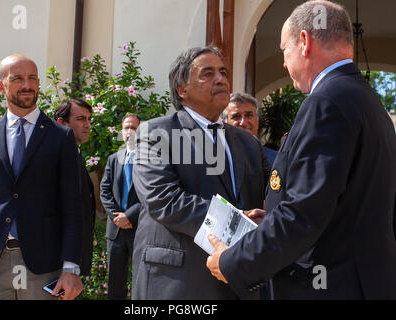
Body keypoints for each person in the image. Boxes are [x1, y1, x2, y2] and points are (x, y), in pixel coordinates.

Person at [207, 0, 396, 299]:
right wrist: (269, 218)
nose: (283, 62)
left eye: (285, 49)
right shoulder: (367, 101)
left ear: (304, 42)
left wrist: (233, 261)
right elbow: (337, 204)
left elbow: (302, 216)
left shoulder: (327, 102)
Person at [131, 46, 271, 299]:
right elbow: (163, 200)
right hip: (179, 283)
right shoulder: (155, 133)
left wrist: (268, 217)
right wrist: (235, 220)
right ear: (182, 90)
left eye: (222, 72)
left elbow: (271, 195)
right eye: (207, 74)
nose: (220, 79)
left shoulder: (249, 143)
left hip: (239, 280)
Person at [0, 54, 84, 300]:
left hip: (43, 266)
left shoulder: (60, 137)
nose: (27, 85)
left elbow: (74, 207)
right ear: (1, 86)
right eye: (18, 78)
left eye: (32, 78)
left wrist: (71, 267)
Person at [100, 113, 141, 299]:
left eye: (134, 127)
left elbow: (151, 194)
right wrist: (117, 217)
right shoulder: (113, 159)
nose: (130, 131)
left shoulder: (150, 160)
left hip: (138, 227)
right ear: (121, 131)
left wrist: (129, 216)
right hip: (115, 230)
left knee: (141, 280)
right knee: (115, 282)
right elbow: (104, 191)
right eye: (126, 128)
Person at [54, 98, 96, 277]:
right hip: (55, 263)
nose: (87, 125)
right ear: (62, 123)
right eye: (80, 119)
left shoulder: (76, 155)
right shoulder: (53, 159)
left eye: (89, 119)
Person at [225, 93, 277, 164]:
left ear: (257, 121)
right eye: (236, 116)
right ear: (225, 123)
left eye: (249, 115)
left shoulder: (275, 160)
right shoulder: (216, 161)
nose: (243, 123)